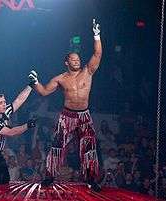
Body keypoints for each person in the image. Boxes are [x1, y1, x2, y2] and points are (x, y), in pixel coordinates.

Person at [29, 19, 102, 191]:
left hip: (84, 115)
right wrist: (34, 82)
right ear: (66, 62)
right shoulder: (60, 78)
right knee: (57, 145)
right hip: (67, 116)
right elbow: (45, 91)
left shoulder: (88, 71)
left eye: (78, 59)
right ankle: (49, 177)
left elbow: (97, 55)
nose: (77, 61)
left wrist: (97, 35)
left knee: (89, 147)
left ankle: (91, 179)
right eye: (73, 59)